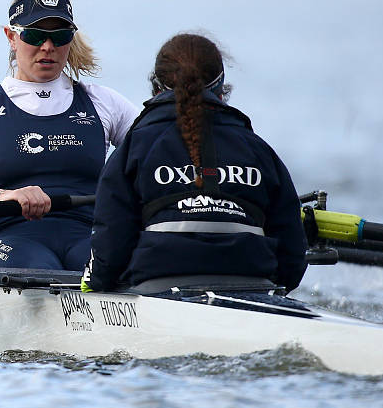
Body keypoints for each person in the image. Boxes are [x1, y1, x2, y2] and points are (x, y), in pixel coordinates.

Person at [0, 0, 137, 271]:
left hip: (87, 239)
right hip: (14, 242)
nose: (48, 47)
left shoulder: (103, 102)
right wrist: (8, 197)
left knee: (118, 262)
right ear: (11, 37)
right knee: (31, 266)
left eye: (60, 36)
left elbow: (157, 155)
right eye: (35, 35)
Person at [82, 33, 307, 294]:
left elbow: (111, 244)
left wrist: (95, 284)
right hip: (254, 284)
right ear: (222, 88)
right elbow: (292, 251)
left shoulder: (136, 147)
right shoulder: (258, 149)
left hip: (159, 285)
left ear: (156, 88)